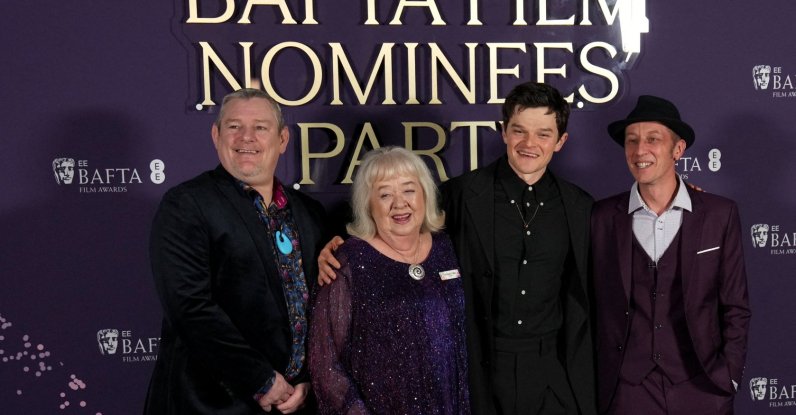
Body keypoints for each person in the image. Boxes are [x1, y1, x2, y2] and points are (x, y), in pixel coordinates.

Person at [319, 83, 596, 415]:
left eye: (543, 134)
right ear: (503, 131)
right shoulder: (462, 195)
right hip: (479, 371)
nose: (529, 144)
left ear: (560, 141)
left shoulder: (579, 207)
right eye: (519, 131)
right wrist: (337, 245)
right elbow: (399, 218)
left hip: (552, 373)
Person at [145, 88, 327, 414]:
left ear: (282, 139)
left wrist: (308, 378)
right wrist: (261, 380)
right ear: (216, 135)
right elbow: (190, 308)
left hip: (297, 403)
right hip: (213, 404)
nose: (247, 137)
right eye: (233, 126)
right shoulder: (187, 205)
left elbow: (323, 307)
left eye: (260, 127)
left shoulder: (309, 213)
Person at [591, 95, 751, 414]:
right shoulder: (600, 216)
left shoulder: (719, 214)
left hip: (702, 385)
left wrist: (729, 376)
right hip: (628, 390)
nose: (640, 151)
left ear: (677, 150)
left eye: (653, 139)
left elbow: (735, 305)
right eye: (632, 141)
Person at [309, 146, 470, 414]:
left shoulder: (449, 248)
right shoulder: (346, 262)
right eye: (384, 194)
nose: (399, 203)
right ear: (368, 205)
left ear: (425, 194)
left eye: (408, 190)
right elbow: (325, 362)